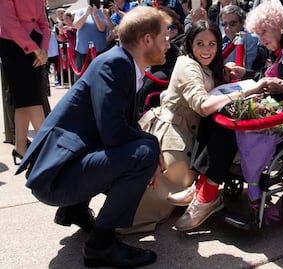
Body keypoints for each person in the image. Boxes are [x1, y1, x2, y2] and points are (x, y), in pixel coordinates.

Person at [15, 6, 171, 268]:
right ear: (147, 39)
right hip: (55, 179)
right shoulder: (115, 64)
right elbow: (113, 133)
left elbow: (112, 129)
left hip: (64, 171)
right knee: (143, 154)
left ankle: (75, 210)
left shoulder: (124, 64)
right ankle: (101, 246)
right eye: (165, 35)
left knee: (143, 147)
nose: (169, 42)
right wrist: (153, 146)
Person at [172, 0, 283, 231]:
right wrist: (247, 73)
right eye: (258, 34)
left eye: (262, 33)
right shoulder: (279, 42)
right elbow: (271, 76)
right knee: (216, 114)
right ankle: (203, 184)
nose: (260, 40)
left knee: (229, 122)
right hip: (276, 102)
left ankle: (208, 192)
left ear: (275, 23)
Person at [118, 19, 267, 234]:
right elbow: (204, 105)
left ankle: (204, 190)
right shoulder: (187, 64)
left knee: (225, 119)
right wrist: (247, 91)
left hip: (192, 136)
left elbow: (211, 79)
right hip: (174, 137)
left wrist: (232, 74)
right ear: (189, 43)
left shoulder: (206, 64)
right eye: (200, 43)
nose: (206, 50)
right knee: (152, 205)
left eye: (212, 44)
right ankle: (205, 192)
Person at [0, 0, 50, 165]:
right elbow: (8, 22)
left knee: (25, 102)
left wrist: (43, 49)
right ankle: (47, 150)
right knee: (32, 100)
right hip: (13, 45)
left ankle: (21, 147)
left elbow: (44, 22)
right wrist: (36, 49)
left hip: (36, 46)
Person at [72, 0, 109, 82]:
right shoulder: (80, 12)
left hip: (99, 51)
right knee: (82, 78)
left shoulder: (101, 12)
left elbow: (102, 28)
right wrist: (86, 14)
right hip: (82, 52)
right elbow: (77, 26)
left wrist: (95, 15)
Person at [220, 5, 259, 69]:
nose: (228, 28)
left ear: (242, 23)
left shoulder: (250, 40)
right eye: (224, 24)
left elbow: (246, 68)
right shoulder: (224, 39)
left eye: (232, 24)